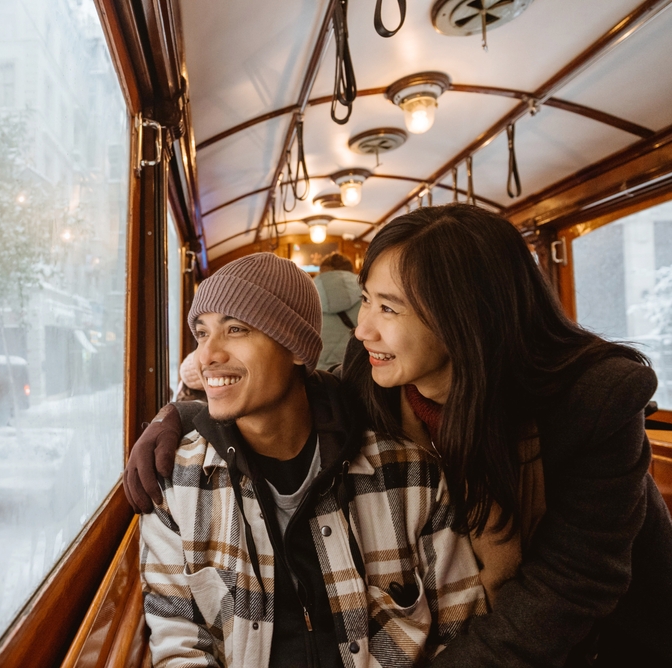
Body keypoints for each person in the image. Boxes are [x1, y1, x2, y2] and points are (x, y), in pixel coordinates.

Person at [126, 204, 672, 666]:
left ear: (463, 318)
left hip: (612, 637)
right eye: (366, 299)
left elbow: (570, 588)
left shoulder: (595, 401)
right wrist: (180, 416)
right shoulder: (374, 379)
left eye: (389, 307)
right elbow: (289, 391)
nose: (363, 330)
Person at [140, 252, 486, 667]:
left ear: (297, 349)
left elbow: (461, 629)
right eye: (201, 333)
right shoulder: (176, 486)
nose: (206, 356)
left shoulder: (409, 474)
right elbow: (179, 646)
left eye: (236, 329)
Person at [315, 251, 361, 370]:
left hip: (316, 374)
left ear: (322, 272)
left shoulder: (305, 293)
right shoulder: (368, 293)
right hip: (357, 370)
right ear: (350, 270)